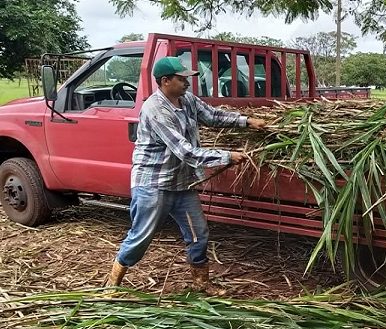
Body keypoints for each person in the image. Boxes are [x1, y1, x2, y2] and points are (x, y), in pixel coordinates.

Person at [105, 56, 266, 292]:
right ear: (165, 81)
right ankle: (112, 284)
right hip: (153, 184)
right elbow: (186, 152)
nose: (188, 82)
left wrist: (247, 121)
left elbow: (212, 116)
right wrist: (226, 156)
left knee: (198, 233)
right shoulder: (155, 110)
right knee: (141, 237)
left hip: (181, 184)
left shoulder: (186, 99)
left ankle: (202, 284)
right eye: (182, 79)